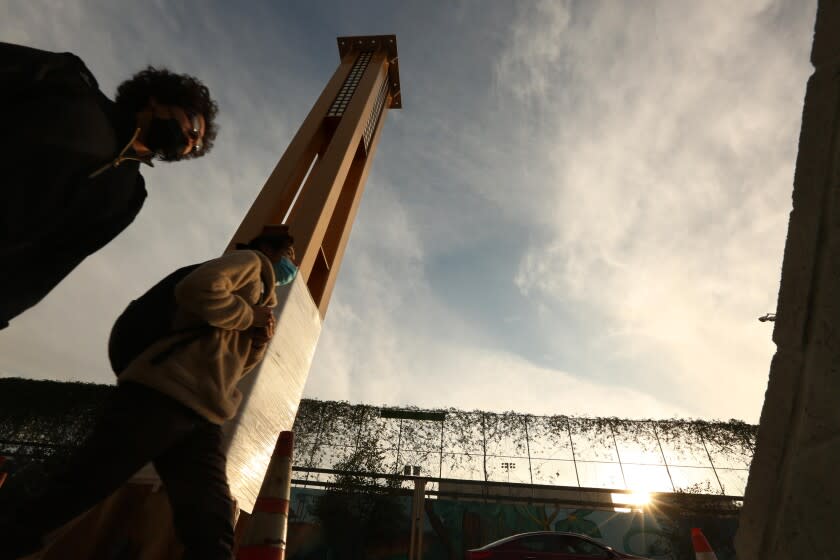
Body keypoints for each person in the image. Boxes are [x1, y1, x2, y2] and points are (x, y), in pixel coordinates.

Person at [0, 226, 297, 560]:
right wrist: (248, 317)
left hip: (203, 413)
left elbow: (231, 367)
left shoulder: (263, 296)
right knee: (80, 489)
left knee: (210, 524)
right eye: (290, 256)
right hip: (162, 394)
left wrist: (257, 340)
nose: (292, 266)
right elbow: (196, 290)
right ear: (271, 250)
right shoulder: (250, 262)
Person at [0, 42, 220, 329]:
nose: (191, 141)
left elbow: (49, 264)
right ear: (159, 100)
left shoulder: (129, 198)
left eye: (197, 144)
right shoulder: (69, 81)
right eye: (192, 126)